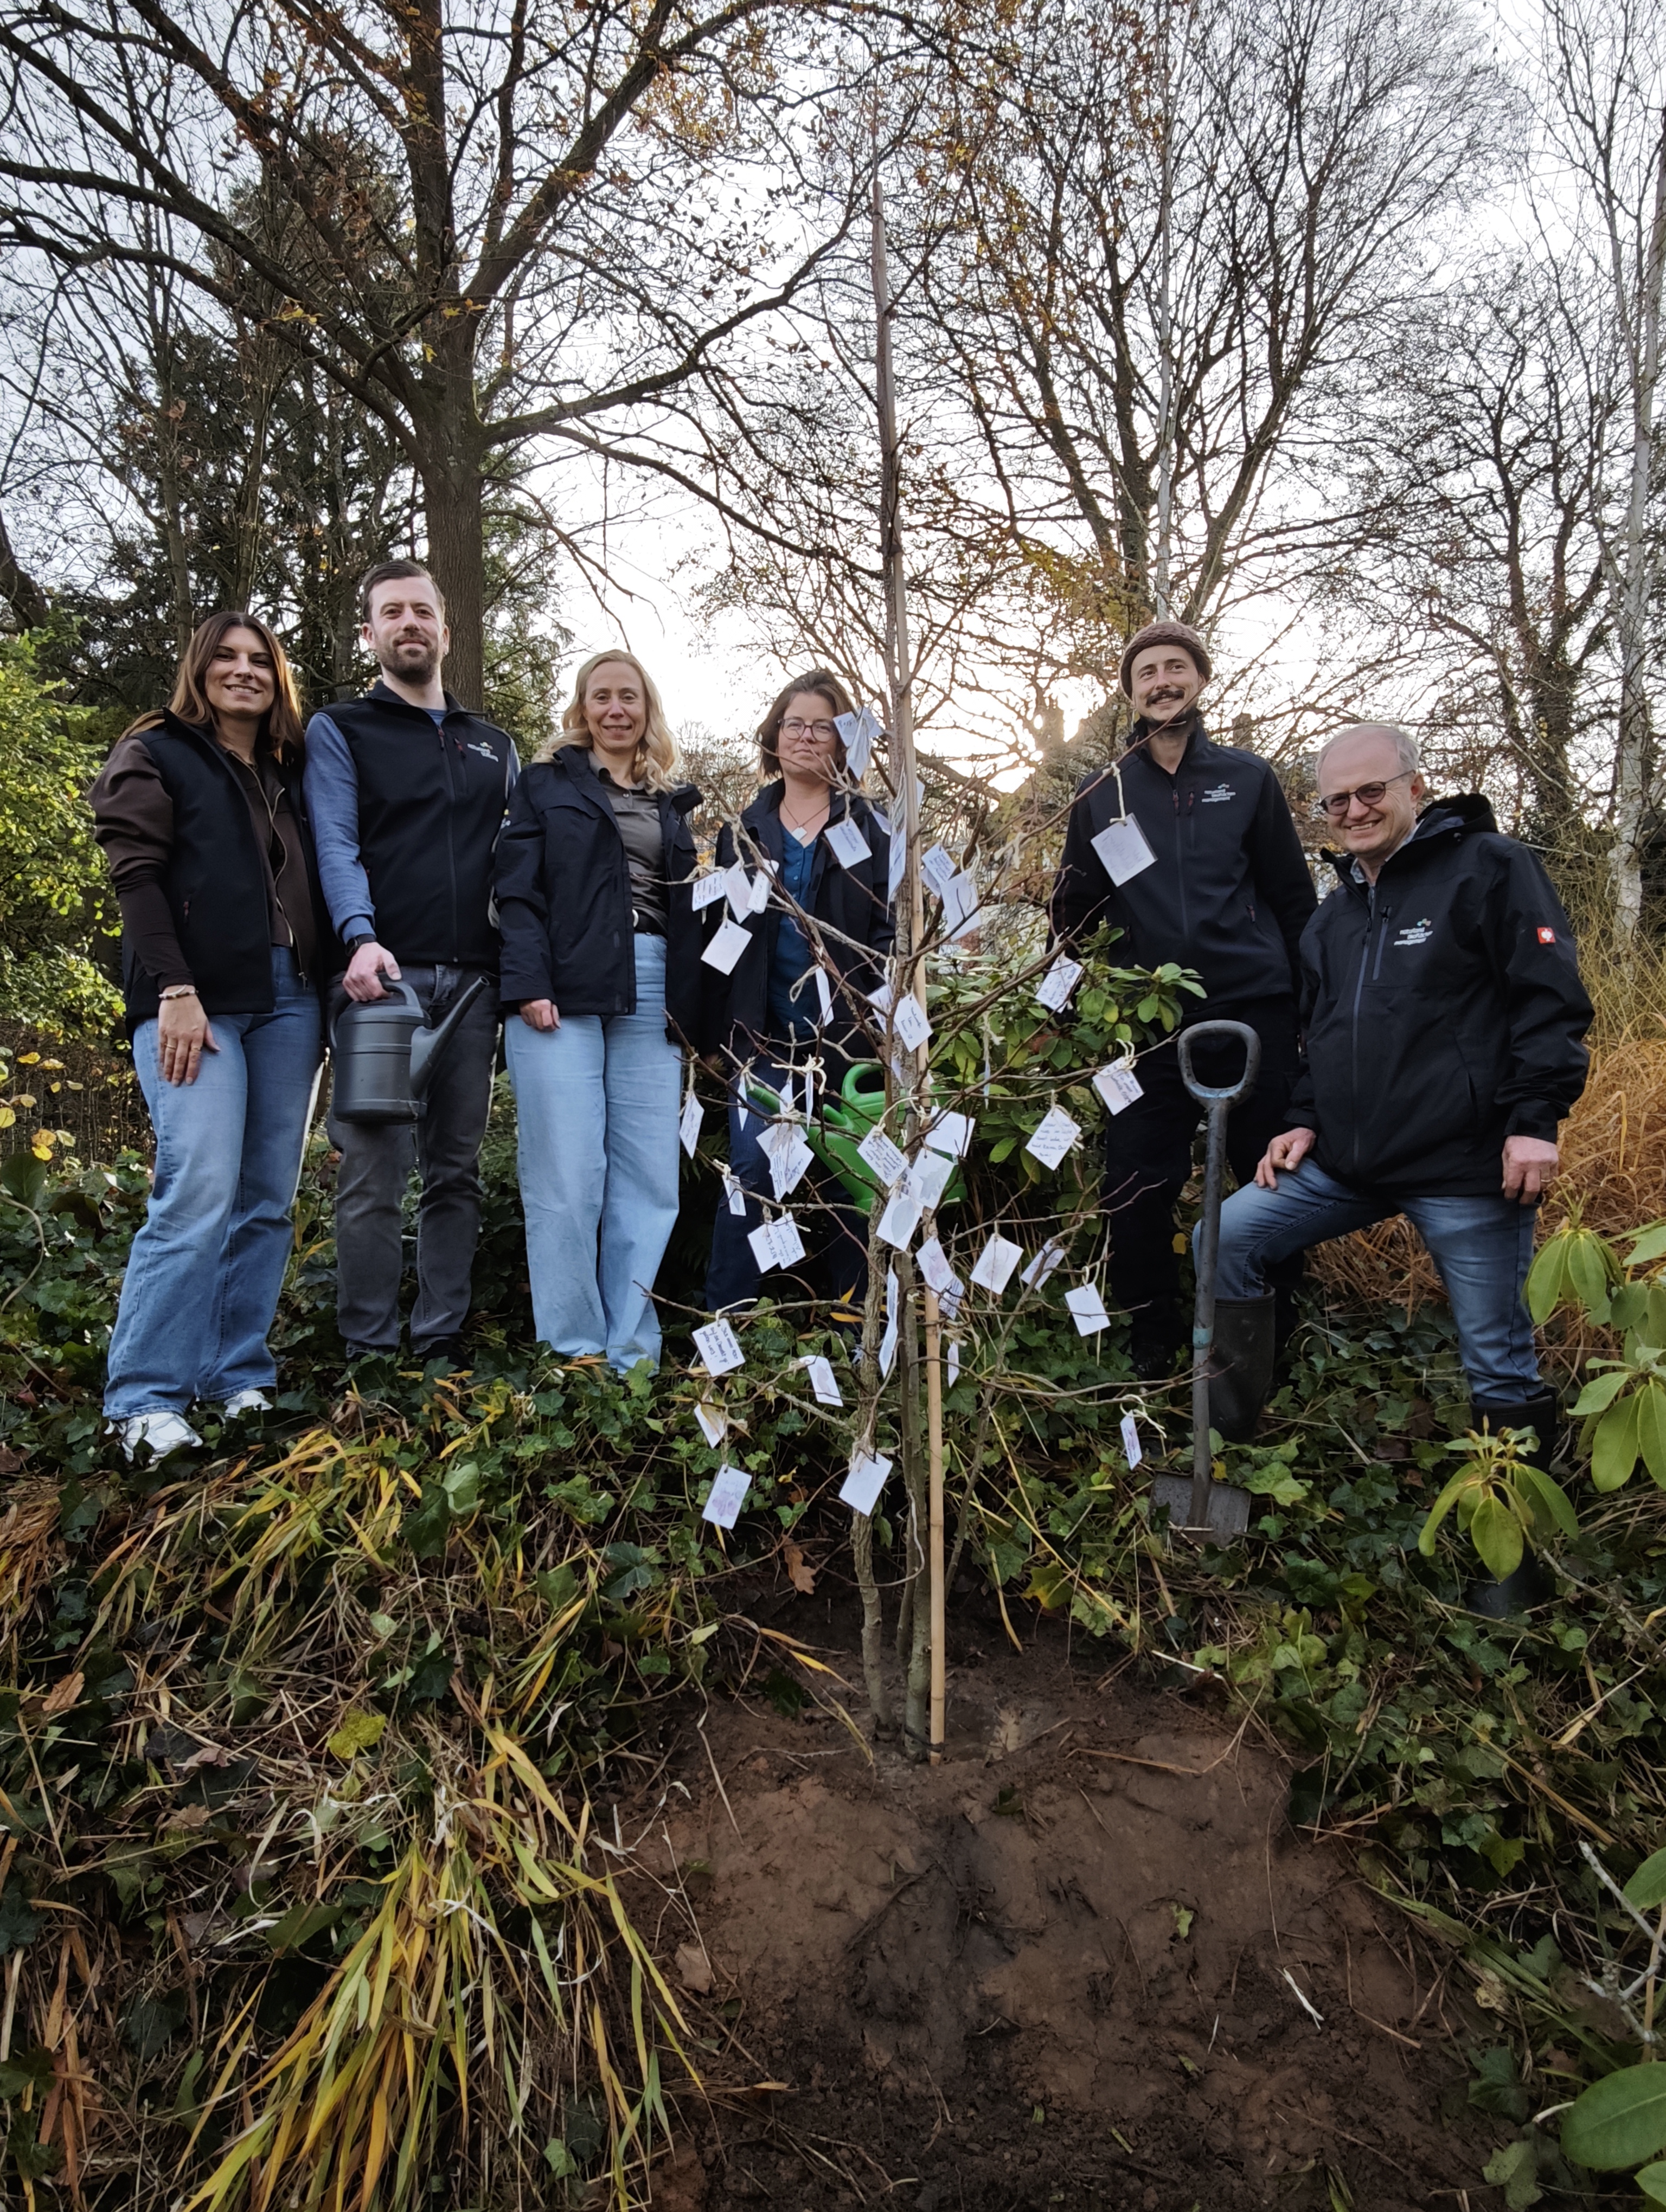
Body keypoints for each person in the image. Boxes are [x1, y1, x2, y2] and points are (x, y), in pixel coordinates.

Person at [1207, 723, 1592, 1445]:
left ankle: (1516, 1543)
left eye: (1371, 791)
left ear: (1416, 788)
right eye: (1336, 801)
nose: (1354, 810)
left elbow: (1549, 1001)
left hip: (1465, 1169)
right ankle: (1230, 1438)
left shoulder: (1491, 869)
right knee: (1223, 1237)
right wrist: (1303, 1116)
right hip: (1348, 1164)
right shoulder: (1334, 916)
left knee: (1499, 1364)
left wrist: (1535, 1119)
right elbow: (1321, 1033)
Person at [89, 612, 338, 1457]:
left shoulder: (289, 768)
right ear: (199, 672)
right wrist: (176, 988)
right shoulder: (157, 752)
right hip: (195, 1002)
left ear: (278, 677)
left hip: (292, 1001)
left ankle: (236, 1375)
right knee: (195, 1193)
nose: (244, 672)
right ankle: (143, 1399)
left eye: (259, 660)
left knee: (266, 1199)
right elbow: (137, 876)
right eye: (226, 659)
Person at [1050, 619, 1317, 1379]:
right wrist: (1060, 1010)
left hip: (1253, 1010)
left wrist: (1306, 1009)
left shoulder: (1248, 778)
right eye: (1146, 673)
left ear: (1199, 679)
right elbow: (1073, 913)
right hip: (1147, 1021)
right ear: (1130, 691)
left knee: (1269, 1179)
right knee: (1136, 1183)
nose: (1161, 682)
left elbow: (1292, 898)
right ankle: (1151, 1337)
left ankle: (1270, 1330)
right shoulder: (1103, 793)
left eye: (1176, 668)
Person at [303, 560, 516, 1366]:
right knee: (371, 1178)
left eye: (422, 611)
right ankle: (366, 1350)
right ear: (371, 634)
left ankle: (438, 1346)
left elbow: (515, 867)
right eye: (391, 613)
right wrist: (359, 934)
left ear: (446, 631)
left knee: (455, 1174)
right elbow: (334, 841)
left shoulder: (496, 746)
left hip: (474, 990)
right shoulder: (341, 729)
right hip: (378, 984)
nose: (409, 624)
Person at [495, 652, 701, 1373]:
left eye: (630, 697)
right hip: (562, 986)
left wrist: (694, 1007)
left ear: (648, 709)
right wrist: (528, 982)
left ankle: (633, 1353)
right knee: (567, 1175)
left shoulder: (670, 801)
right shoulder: (545, 785)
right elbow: (516, 890)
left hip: (652, 988)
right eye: (602, 697)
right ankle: (575, 1352)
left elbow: (688, 910)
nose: (617, 709)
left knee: (648, 1179)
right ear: (581, 709)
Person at [703, 668, 894, 1315]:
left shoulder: (873, 826)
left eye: (823, 725)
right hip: (762, 1040)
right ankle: (729, 1324)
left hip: (849, 1039)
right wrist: (714, 1034)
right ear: (774, 736)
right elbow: (720, 936)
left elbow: (892, 928)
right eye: (794, 723)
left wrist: (885, 1015)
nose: (807, 736)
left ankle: (851, 1330)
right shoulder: (743, 829)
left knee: (849, 1182)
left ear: (844, 741)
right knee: (752, 1178)